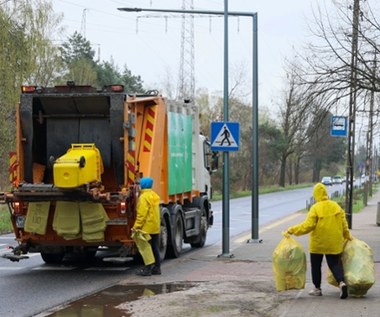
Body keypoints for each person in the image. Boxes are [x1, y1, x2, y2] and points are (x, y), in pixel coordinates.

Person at [286, 182, 352, 299]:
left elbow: (308, 226)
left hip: (318, 243)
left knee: (316, 265)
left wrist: (292, 230)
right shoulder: (336, 206)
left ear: (316, 195)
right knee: (333, 264)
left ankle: (317, 289)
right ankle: (342, 283)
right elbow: (344, 224)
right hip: (334, 242)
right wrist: (347, 236)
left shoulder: (315, 208)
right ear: (326, 193)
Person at [132, 177, 161, 276]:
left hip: (146, 227)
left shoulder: (143, 197)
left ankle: (148, 268)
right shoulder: (154, 195)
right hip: (155, 227)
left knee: (146, 248)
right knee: (155, 247)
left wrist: (136, 227)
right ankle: (157, 268)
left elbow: (141, 214)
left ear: (143, 185)